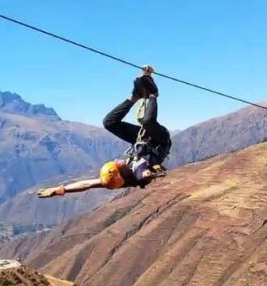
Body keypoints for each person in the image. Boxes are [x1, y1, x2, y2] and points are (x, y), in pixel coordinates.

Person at [37, 65, 171, 197]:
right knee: (147, 122)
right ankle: (153, 94)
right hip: (159, 141)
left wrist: (60, 190)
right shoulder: (139, 174)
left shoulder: (110, 180)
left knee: (109, 123)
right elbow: (144, 175)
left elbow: (86, 185)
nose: (116, 161)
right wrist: (152, 173)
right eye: (117, 165)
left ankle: (134, 97)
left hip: (140, 141)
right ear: (121, 173)